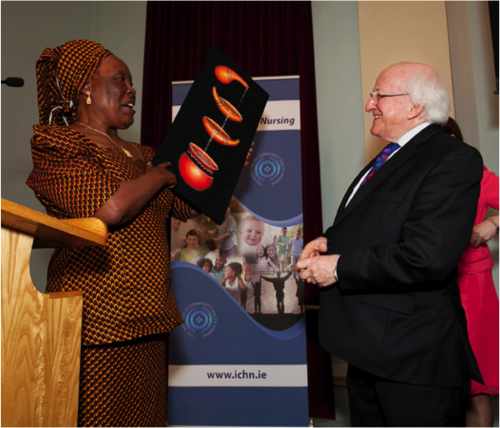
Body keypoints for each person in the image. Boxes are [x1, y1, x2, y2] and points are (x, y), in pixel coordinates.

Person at [297, 62, 483, 426]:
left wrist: (338, 267)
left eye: (378, 95)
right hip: (371, 351)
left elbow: (427, 256)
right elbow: (381, 223)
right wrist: (329, 241)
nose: (369, 104)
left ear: (415, 106)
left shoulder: (452, 159)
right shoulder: (392, 156)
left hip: (413, 361)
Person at [25, 40, 197, 426]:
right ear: (86, 87)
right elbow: (109, 209)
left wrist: (227, 168)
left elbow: (188, 207)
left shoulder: (144, 155)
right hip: (98, 320)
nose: (131, 90)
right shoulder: (58, 143)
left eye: (132, 81)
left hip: (150, 315)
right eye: (120, 79)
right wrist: (160, 177)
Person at [444, 117, 499, 427]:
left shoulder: (475, 174)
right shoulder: (413, 177)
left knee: (475, 385)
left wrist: (492, 223)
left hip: (471, 285)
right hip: (427, 285)